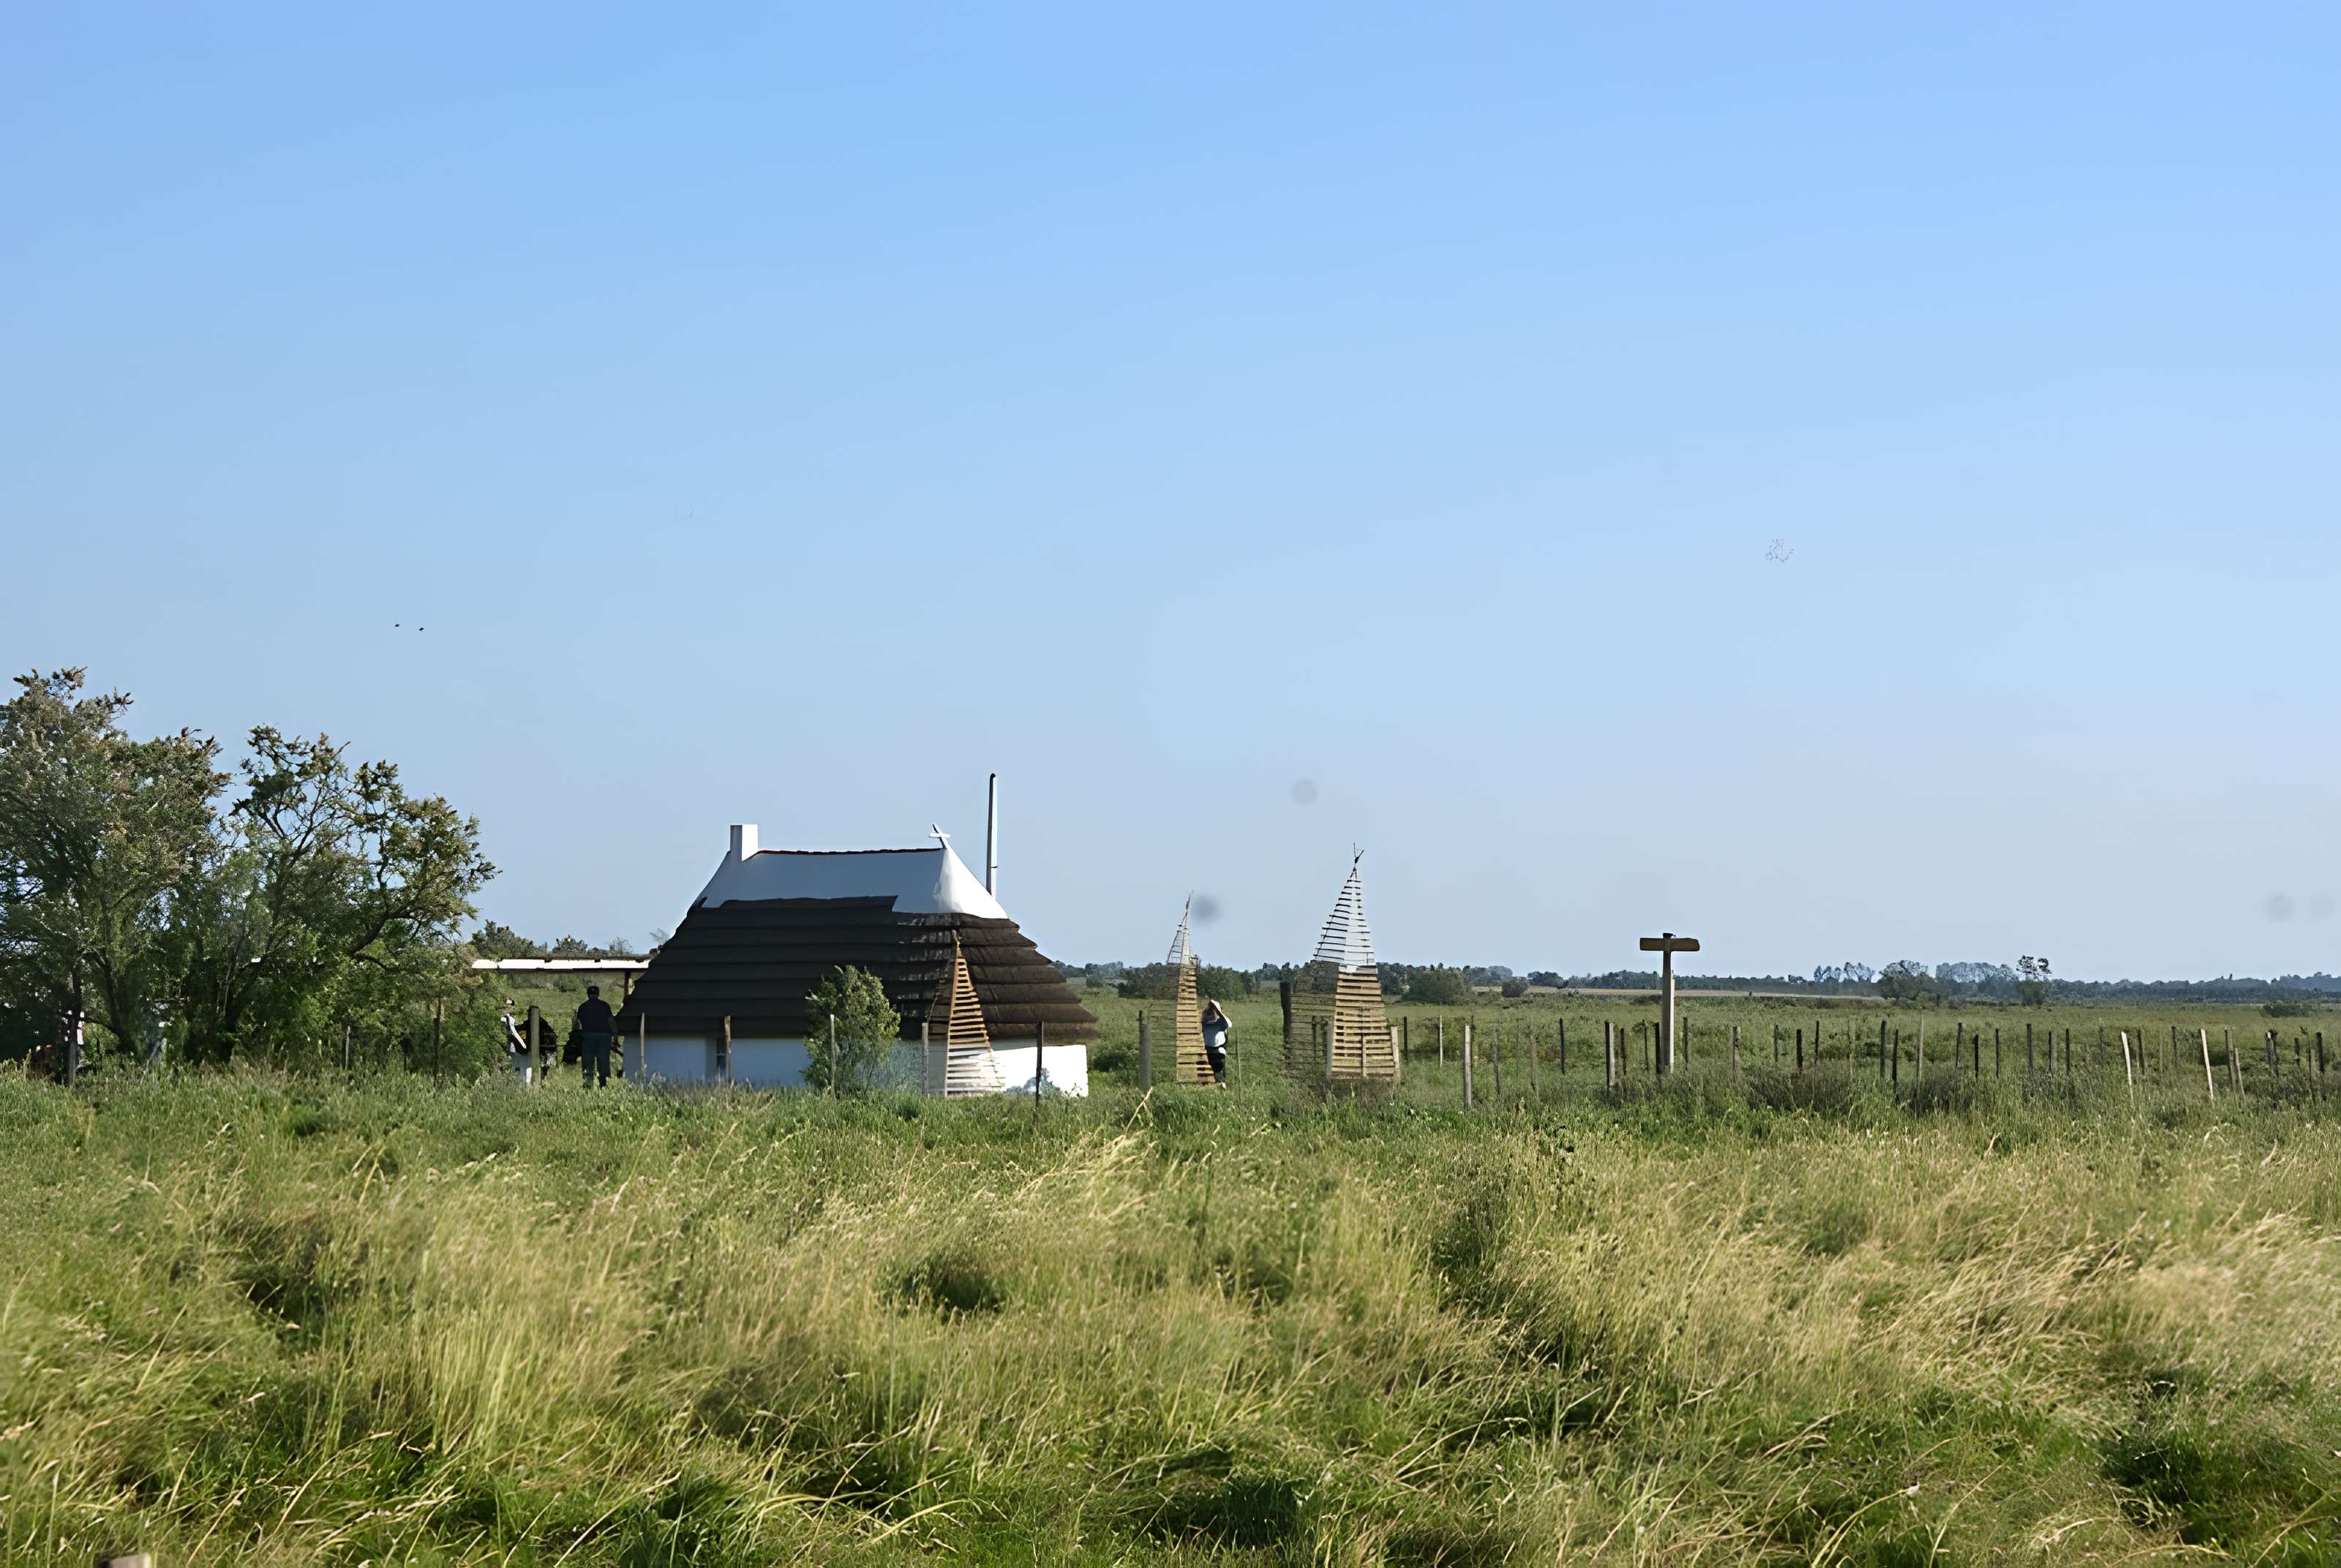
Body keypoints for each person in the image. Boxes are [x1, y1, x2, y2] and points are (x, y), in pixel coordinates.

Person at [574, 984, 617, 1088]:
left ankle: (588, 1083)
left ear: (588, 994)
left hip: (588, 1035)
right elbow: (611, 1021)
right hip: (604, 1036)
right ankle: (603, 1083)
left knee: (588, 1060)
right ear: (598, 994)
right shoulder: (605, 1006)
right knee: (603, 1059)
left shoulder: (583, 1007)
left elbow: (577, 1025)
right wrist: (615, 1034)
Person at [1200, 998, 1233, 1085]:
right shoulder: (1205, 1021)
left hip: (1218, 1051)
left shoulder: (1221, 1022)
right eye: (1212, 1009)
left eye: (1214, 1010)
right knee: (1205, 1075)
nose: (1213, 1011)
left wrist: (1218, 1011)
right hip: (1206, 1050)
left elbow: (1229, 1024)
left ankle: (1221, 1086)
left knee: (1219, 1073)